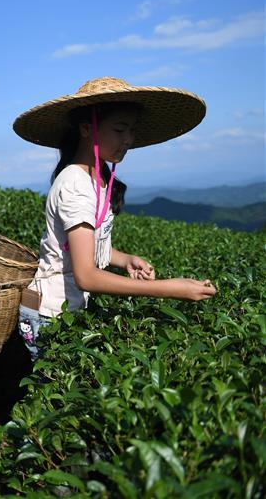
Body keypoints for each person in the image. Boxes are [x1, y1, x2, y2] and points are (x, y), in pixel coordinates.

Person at [11, 76, 216, 360]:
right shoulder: (75, 185)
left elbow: (89, 246)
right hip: (48, 315)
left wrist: (125, 259)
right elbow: (86, 275)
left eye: (132, 130)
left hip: (66, 311)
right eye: (119, 129)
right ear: (86, 129)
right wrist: (168, 288)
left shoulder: (98, 178)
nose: (128, 139)